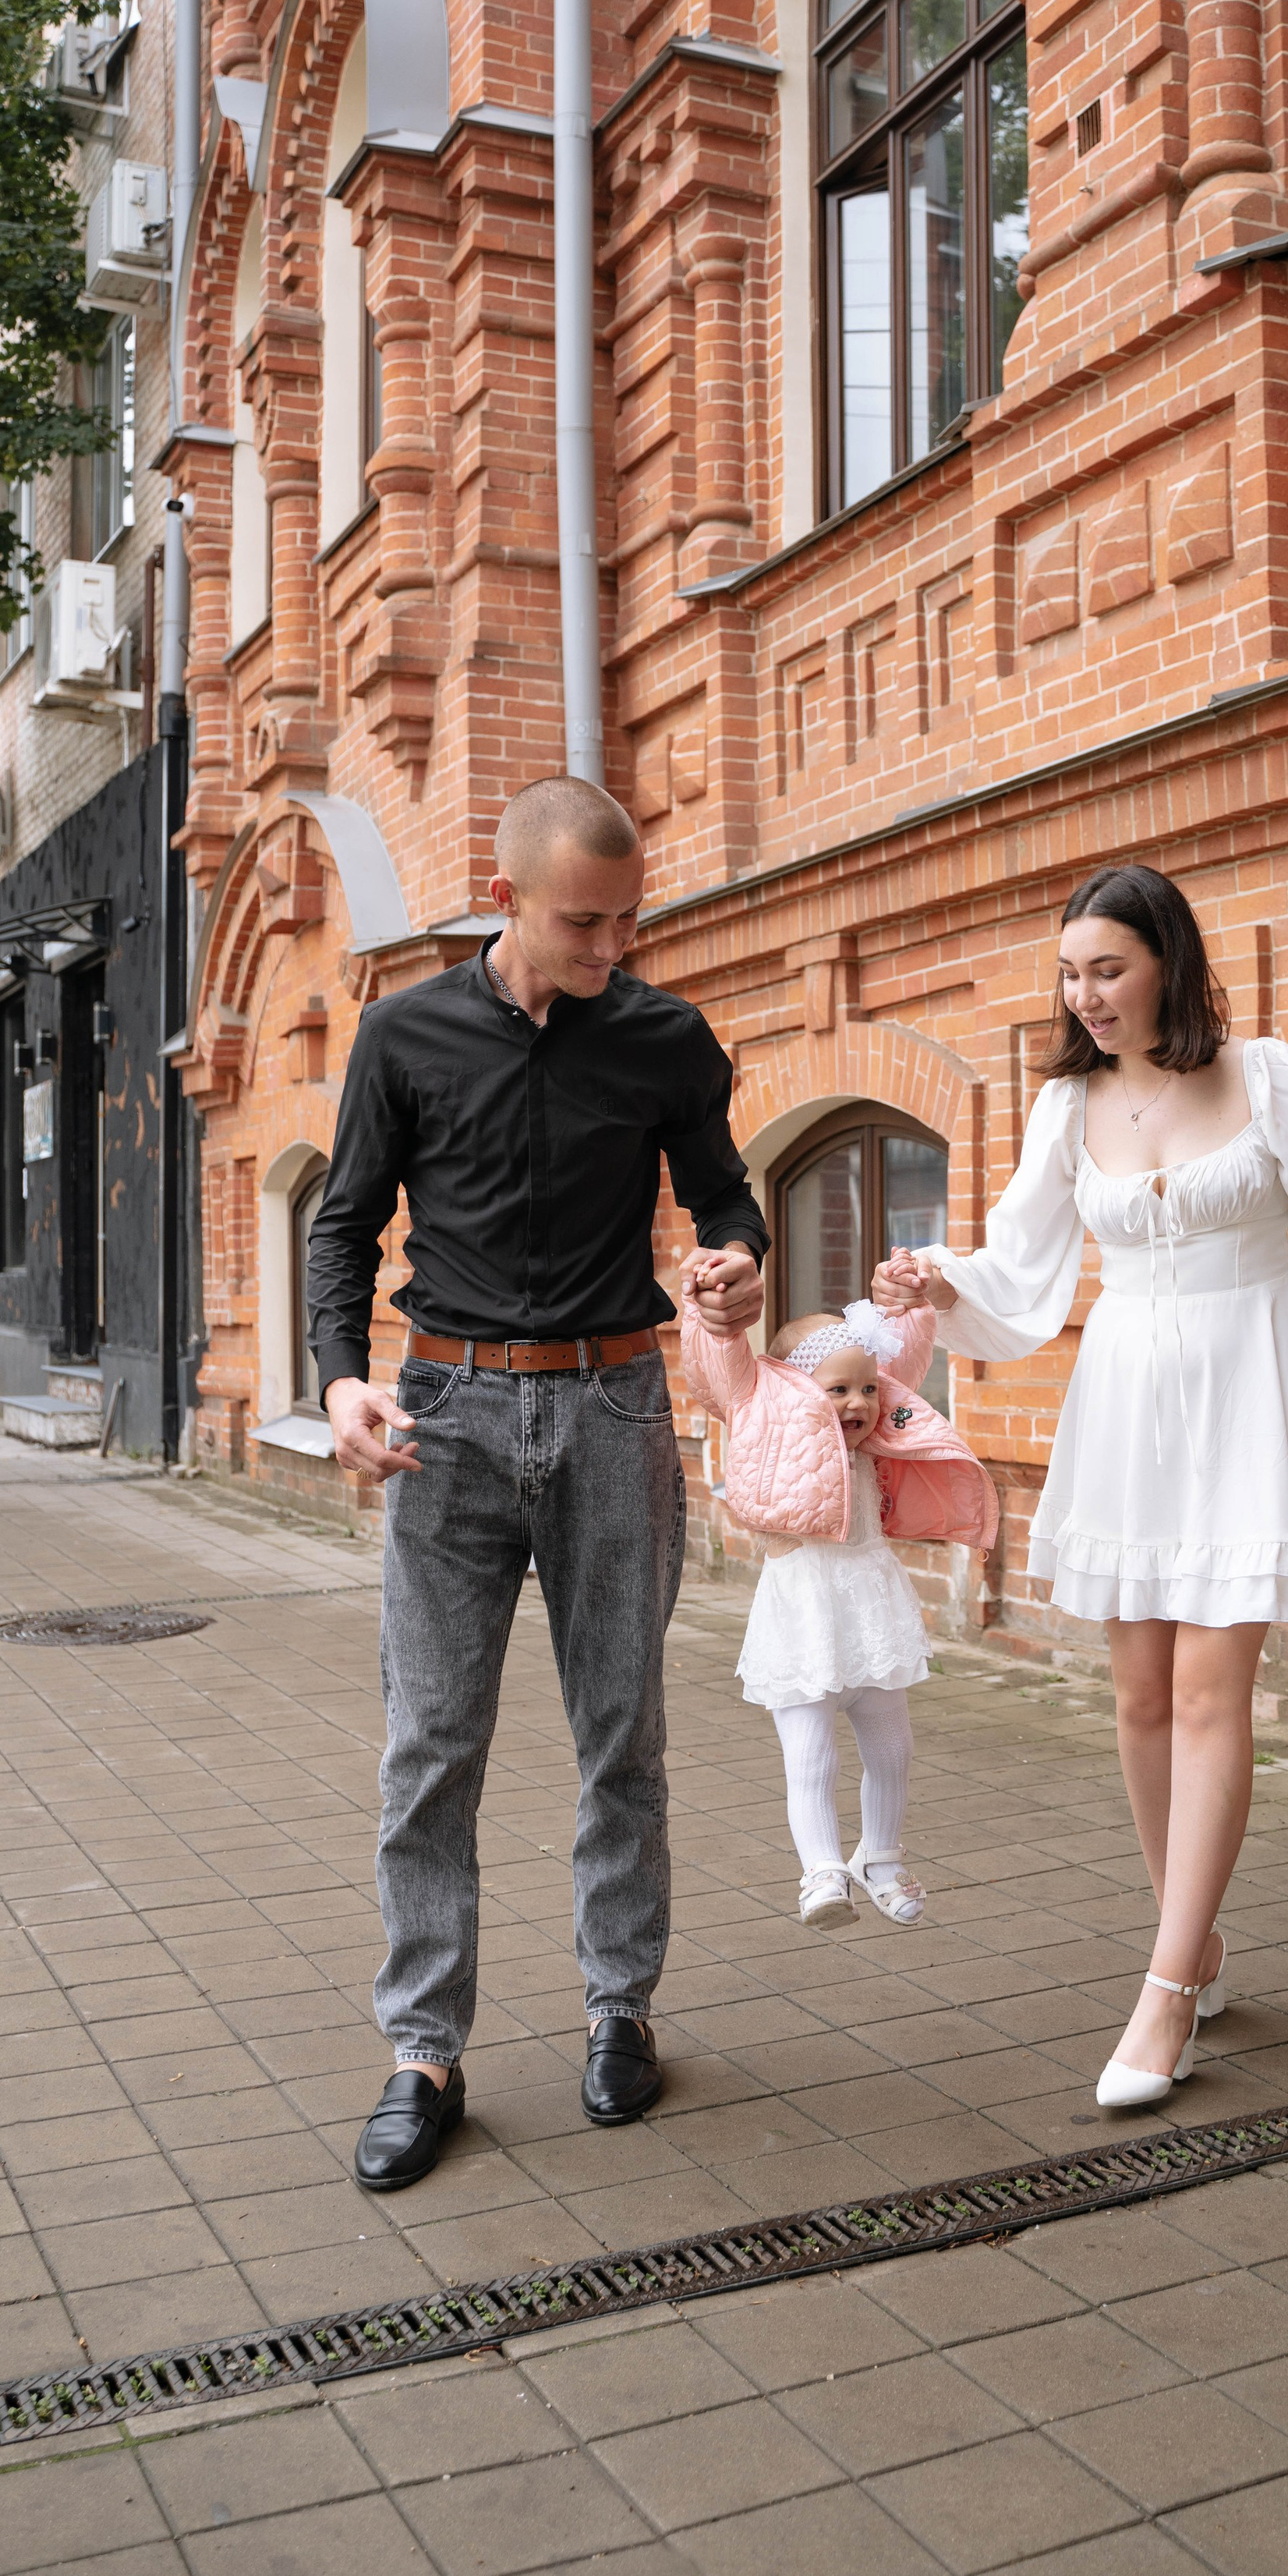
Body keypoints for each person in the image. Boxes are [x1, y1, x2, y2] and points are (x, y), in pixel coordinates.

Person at [875, 864, 1288, 2112]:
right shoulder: (1067, 1102)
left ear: (1167, 962)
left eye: (1109, 969)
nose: (1087, 997)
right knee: (1136, 1693)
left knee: (1206, 1686)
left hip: (1248, 1388)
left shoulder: (1270, 1075)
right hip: (1129, 1395)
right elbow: (1019, 1277)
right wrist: (935, 1280)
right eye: (1071, 974)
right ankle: (1199, 1936)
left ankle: (1169, 1985)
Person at [308, 777, 767, 2189]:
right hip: (442, 1411)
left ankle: (620, 2008)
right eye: (586, 920)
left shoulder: (666, 1037)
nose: (613, 945)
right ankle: (423, 2051)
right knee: (430, 1748)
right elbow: (342, 1226)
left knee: (621, 1739)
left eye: (630, 918)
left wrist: (736, 1261)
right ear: (505, 899)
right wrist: (340, 1378)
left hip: (614, 1402)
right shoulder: (402, 1034)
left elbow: (726, 1193)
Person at [680, 1293, 998, 1929]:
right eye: (838, 1390)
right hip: (802, 1621)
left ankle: (879, 1857)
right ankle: (822, 1871)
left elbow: (902, 1352)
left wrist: (908, 1301)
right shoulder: (764, 1419)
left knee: (893, 1750)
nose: (858, 1403)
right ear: (795, 1392)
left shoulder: (875, 1440)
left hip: (871, 1612)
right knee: (811, 1756)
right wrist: (707, 1303)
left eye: (868, 1389)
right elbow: (722, 1368)